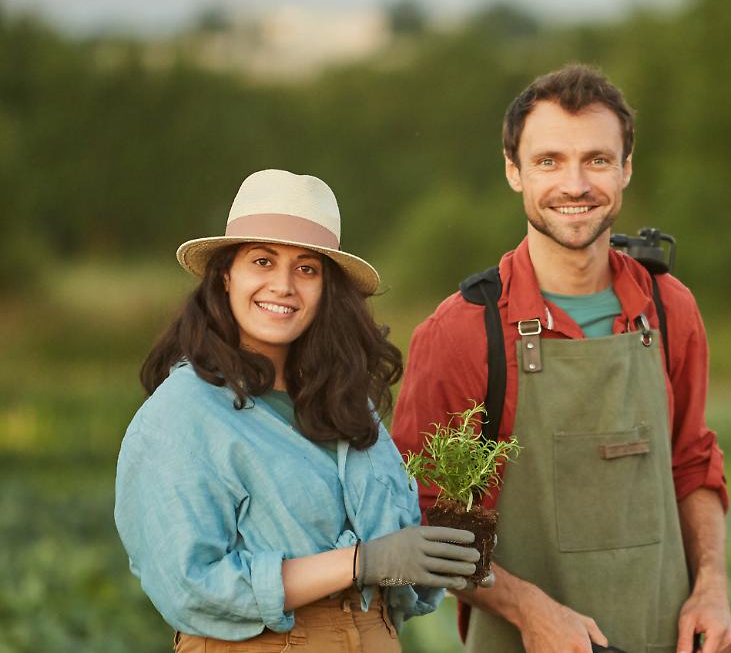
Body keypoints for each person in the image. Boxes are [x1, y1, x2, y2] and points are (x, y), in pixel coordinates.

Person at [392, 65, 731, 653]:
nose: (575, 184)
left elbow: (692, 462)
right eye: (549, 160)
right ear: (513, 171)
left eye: (597, 160)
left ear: (626, 169)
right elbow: (422, 522)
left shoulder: (669, 309)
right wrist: (530, 611)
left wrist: (712, 585)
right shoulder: (463, 331)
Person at [115, 169, 483, 652]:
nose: (284, 285)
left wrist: (436, 558)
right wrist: (359, 562)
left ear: (326, 286)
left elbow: (394, 572)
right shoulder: (182, 414)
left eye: (306, 268)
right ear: (226, 274)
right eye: (263, 261)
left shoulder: (345, 404)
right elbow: (191, 586)